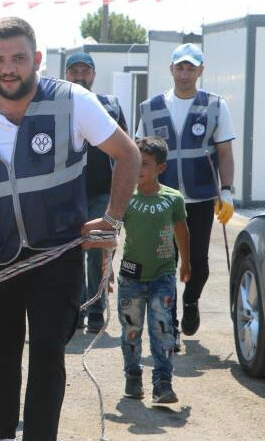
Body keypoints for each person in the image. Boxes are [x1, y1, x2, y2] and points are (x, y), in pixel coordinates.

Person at [0, 17, 140, 441]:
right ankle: (1, 435)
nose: (8, 68)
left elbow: (128, 154)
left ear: (36, 58)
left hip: (57, 252)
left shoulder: (74, 102)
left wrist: (112, 219)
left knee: (49, 353)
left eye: (18, 57)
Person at [137, 43, 236, 348]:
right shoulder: (151, 107)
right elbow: (140, 153)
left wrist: (227, 192)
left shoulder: (216, 105)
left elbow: (225, 152)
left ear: (200, 71)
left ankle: (191, 301)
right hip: (162, 199)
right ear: (171, 69)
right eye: (180, 67)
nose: (184, 73)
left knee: (198, 263)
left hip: (200, 197)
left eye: (191, 68)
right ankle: (171, 323)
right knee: (166, 262)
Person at [118, 136, 190, 404]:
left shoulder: (173, 199)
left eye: (145, 163)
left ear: (160, 168)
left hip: (163, 274)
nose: (138, 168)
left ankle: (163, 381)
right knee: (131, 329)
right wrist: (106, 264)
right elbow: (112, 231)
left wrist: (186, 262)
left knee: (162, 328)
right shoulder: (124, 196)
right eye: (135, 160)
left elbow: (182, 232)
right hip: (130, 277)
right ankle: (133, 376)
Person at [64, 52, 129, 333]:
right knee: (71, 254)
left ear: (93, 74)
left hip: (101, 192)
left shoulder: (110, 105)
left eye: (85, 71)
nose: (80, 76)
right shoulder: (57, 104)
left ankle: (95, 310)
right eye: (74, 71)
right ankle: (74, 311)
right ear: (67, 74)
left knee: (97, 253)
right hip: (67, 194)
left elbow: (127, 149)